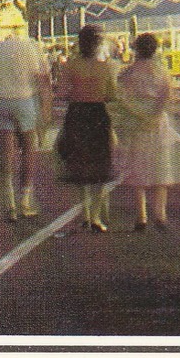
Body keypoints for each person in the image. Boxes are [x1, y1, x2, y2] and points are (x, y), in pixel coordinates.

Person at [113, 33, 180, 231]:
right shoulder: (161, 72)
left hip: (136, 121)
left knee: (138, 169)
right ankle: (160, 214)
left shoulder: (128, 73)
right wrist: (155, 113)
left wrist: (137, 112)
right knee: (161, 169)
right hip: (157, 122)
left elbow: (120, 97)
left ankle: (141, 216)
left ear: (136, 49)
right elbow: (168, 97)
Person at [0, 31, 53, 222]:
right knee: (28, 149)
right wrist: (45, 110)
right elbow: (43, 80)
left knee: (6, 151)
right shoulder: (32, 47)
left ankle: (9, 203)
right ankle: (25, 201)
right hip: (25, 101)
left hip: (1, 101)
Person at [54, 26, 118, 233]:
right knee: (100, 165)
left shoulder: (70, 66)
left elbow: (62, 93)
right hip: (98, 114)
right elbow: (111, 95)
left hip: (77, 114)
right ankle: (97, 216)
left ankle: (87, 214)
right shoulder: (105, 67)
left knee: (80, 163)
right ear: (97, 44)